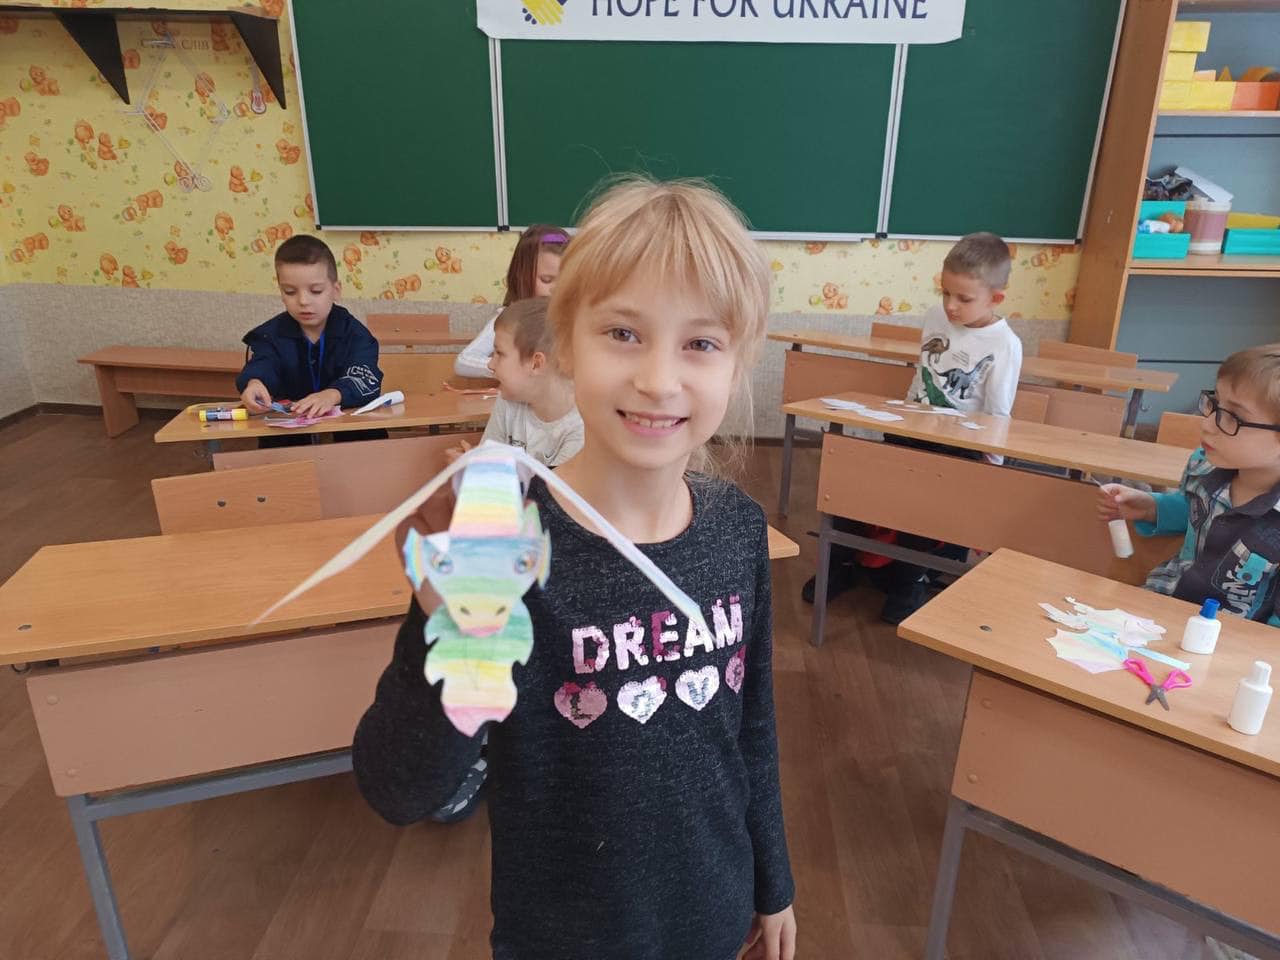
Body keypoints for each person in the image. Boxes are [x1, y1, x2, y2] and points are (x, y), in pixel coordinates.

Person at [353, 177, 797, 960]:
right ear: (563, 341)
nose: (660, 380)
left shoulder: (737, 532)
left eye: (700, 343)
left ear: (739, 363)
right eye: (623, 334)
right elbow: (402, 788)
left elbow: (751, 730)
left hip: (714, 920)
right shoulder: (510, 558)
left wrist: (773, 884)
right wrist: (448, 616)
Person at [803, 232, 1024, 624]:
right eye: (945, 293)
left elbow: (998, 412)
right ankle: (841, 563)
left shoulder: (1005, 344)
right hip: (909, 429)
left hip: (956, 447)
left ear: (996, 298)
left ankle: (909, 581)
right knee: (856, 485)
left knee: (921, 508)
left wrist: (994, 473)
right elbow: (921, 377)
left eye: (964, 299)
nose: (951, 306)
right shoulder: (936, 316)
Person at [1100, 345, 1280, 624]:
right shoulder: (1205, 466)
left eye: (1232, 417)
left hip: (1231, 641)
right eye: (1214, 404)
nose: (1207, 425)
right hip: (1163, 603)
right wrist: (1152, 508)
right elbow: (1200, 514)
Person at [236, 235, 384, 447]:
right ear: (281, 293)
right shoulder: (270, 335)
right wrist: (255, 382)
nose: (303, 301)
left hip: (352, 435)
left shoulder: (356, 335)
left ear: (336, 290)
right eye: (290, 292)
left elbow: (365, 374)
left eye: (316, 291)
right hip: (288, 440)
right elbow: (263, 363)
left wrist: (333, 394)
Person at [453, 225, 568, 380]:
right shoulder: (510, 319)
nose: (557, 289)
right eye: (546, 280)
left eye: (566, 280)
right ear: (522, 277)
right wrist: (512, 367)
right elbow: (464, 361)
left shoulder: (575, 318)